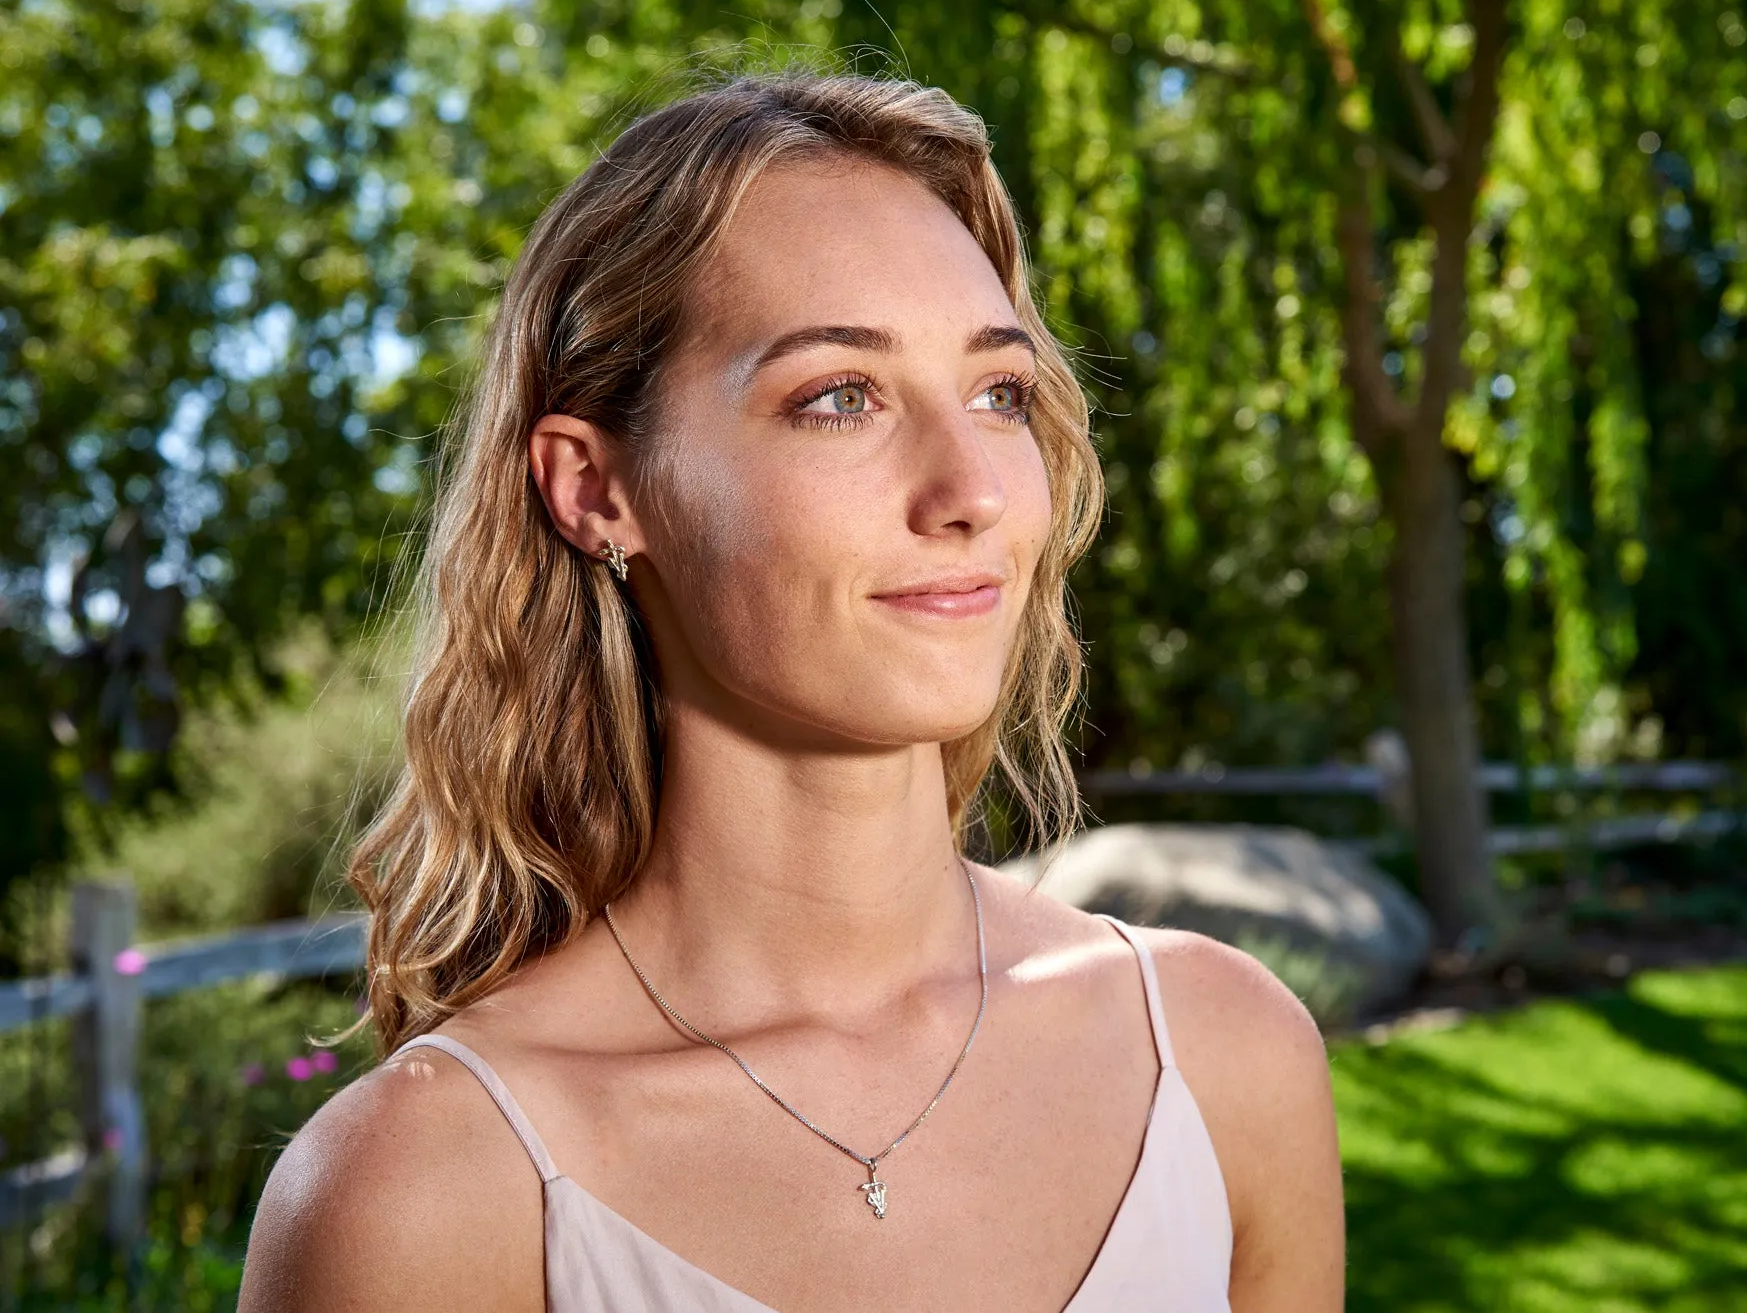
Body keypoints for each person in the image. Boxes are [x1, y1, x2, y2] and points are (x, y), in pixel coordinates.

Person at [240, 71, 1344, 1311]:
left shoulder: (1214, 1055)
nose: (969, 492)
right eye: (838, 397)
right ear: (596, 490)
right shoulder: (424, 1193)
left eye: (998, 394)